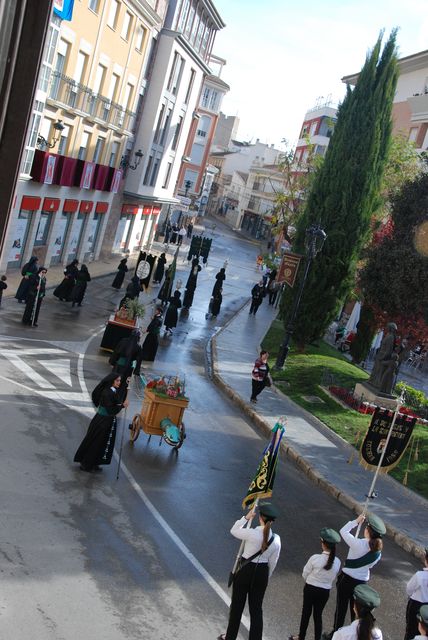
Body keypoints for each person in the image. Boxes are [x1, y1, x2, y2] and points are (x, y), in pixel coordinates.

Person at [217, 502, 281, 640]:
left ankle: (230, 637)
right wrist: (265, 577)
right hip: (262, 573)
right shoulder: (277, 540)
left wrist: (246, 518)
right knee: (256, 610)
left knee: (237, 607)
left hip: (245, 570)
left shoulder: (252, 533)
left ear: (260, 517)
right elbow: (273, 562)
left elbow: (234, 530)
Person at [332, 514, 385, 633]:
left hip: (346, 580)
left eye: (367, 527)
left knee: (341, 609)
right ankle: (356, 634)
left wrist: (356, 521)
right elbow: (370, 566)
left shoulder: (358, 544)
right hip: (361, 583)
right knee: (356, 612)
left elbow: (343, 531)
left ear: (368, 531)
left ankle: (335, 633)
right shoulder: (378, 552)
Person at [289, 528, 341, 640]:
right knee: (318, 615)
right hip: (324, 591)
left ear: (323, 544)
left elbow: (305, 573)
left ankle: (301, 636)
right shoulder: (337, 562)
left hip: (310, 589)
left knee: (306, 614)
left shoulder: (315, 558)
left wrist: (311, 581)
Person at [74, 373, 128, 473]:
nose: (119, 382)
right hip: (103, 421)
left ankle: (95, 462)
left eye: (120, 381)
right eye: (117, 381)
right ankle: (86, 464)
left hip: (106, 421)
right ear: (112, 381)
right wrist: (122, 406)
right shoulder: (107, 393)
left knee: (101, 443)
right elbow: (111, 410)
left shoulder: (112, 390)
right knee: (95, 442)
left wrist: (125, 391)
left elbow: (116, 401)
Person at [404, 548, 428, 640]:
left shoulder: (420, 575)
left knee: (410, 630)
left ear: (426, 560)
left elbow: (409, 589)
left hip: (416, 604)